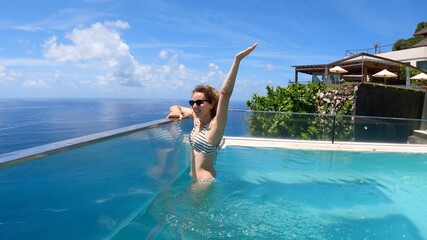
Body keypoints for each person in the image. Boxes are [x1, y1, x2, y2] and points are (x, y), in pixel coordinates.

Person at [167, 43, 258, 182]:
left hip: (204, 182)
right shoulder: (197, 120)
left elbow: (225, 93)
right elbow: (175, 106)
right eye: (192, 103)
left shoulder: (215, 127)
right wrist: (176, 113)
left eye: (199, 102)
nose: (195, 106)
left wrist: (237, 60)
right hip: (194, 180)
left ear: (211, 104)